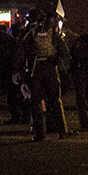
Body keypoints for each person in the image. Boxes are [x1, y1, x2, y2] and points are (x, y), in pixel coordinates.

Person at [15, 10, 70, 140]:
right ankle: (62, 131)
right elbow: (64, 51)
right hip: (51, 69)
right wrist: (57, 60)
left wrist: (16, 70)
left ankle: (40, 134)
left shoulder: (29, 33)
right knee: (56, 100)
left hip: (36, 69)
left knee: (37, 102)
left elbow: (20, 51)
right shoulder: (53, 33)